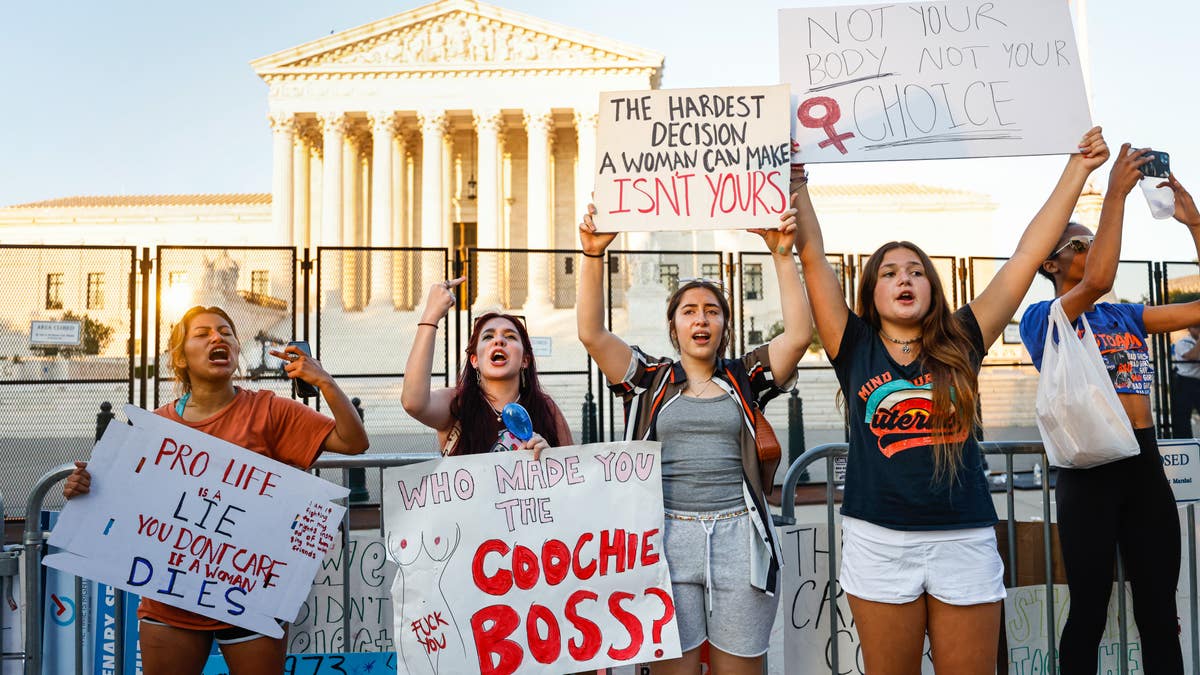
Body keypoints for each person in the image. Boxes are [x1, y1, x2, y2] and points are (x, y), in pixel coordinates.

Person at [791, 126, 1109, 674]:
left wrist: (1078, 170)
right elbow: (814, 254)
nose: (905, 278)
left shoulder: (963, 337)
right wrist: (798, 187)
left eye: (917, 271)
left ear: (935, 288)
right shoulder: (854, 345)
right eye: (889, 272)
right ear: (871, 292)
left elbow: (1029, 253)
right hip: (879, 540)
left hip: (964, 538)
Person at [62, 305, 369, 675]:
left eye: (226, 331)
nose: (217, 338)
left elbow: (354, 442)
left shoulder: (269, 411)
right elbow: (121, 504)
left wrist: (324, 382)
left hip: (250, 595)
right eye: (202, 333)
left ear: (237, 350)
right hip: (169, 599)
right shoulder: (154, 427)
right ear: (181, 356)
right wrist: (83, 487)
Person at [577, 204, 811, 674]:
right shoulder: (650, 379)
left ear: (724, 324)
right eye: (689, 311)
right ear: (674, 326)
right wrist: (592, 257)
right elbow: (592, 333)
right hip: (665, 538)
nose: (701, 320)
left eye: (712, 311)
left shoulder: (746, 376)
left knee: (741, 667)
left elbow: (800, 335)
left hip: (740, 538)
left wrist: (784, 256)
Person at [1019, 148, 1200, 674]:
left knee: (1160, 616)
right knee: (1089, 613)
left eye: (1093, 241)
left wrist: (1193, 224)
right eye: (1079, 243)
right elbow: (1095, 279)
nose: (1093, 248)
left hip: (1143, 464)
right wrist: (1114, 193)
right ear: (1049, 263)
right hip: (1088, 471)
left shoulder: (1125, 314)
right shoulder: (1042, 319)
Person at [401, 276, 572, 457]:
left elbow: (573, 469)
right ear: (474, 360)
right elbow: (413, 402)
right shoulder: (457, 404)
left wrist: (550, 458)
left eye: (510, 337)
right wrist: (431, 315)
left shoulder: (546, 408)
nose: (499, 340)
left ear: (525, 360)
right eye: (488, 337)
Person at [1171, 324, 1200, 439]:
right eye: (1196, 327)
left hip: (1198, 381)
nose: (1198, 330)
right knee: (1182, 416)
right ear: (1189, 329)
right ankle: (1186, 444)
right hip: (1185, 382)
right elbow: (1191, 356)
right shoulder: (1182, 343)